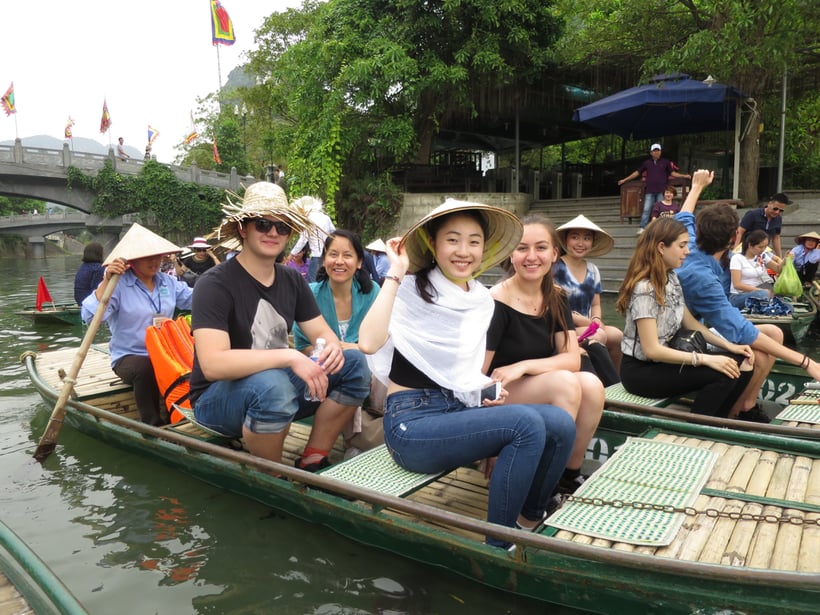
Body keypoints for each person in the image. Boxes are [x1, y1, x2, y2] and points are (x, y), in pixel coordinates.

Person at [358, 199, 575, 548]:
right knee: (526, 425)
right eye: (453, 240)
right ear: (433, 243)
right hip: (410, 426)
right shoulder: (410, 287)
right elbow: (368, 342)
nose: (464, 251)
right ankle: (499, 544)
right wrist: (395, 271)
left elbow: (462, 374)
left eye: (474, 241)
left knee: (560, 424)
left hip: (455, 412)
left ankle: (529, 518)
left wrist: (485, 390)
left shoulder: (479, 299)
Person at [188, 182, 370, 470]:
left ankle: (313, 457)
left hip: (276, 385)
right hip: (216, 399)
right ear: (242, 229)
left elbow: (322, 333)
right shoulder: (213, 284)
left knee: (354, 363)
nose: (272, 232)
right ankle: (273, 473)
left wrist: (332, 348)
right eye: (262, 224)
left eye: (282, 226)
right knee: (272, 385)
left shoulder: (291, 280)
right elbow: (213, 364)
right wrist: (290, 356)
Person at [675, 170, 820, 421]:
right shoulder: (702, 277)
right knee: (755, 351)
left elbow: (684, 215)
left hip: (700, 328)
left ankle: (746, 405)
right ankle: (732, 417)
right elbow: (741, 330)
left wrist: (697, 186)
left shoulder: (693, 242)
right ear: (734, 238)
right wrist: (807, 363)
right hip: (683, 338)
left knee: (774, 333)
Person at [484, 214, 604, 497]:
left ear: (554, 254)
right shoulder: (495, 302)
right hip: (498, 391)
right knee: (566, 383)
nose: (531, 256)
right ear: (510, 254)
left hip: (528, 380)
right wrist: (488, 441)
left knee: (592, 385)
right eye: (522, 248)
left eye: (540, 248)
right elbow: (480, 372)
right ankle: (539, 483)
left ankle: (567, 474)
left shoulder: (557, 296)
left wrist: (523, 366)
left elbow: (572, 358)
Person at [616, 217, 754, 417]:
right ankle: (698, 428)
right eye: (681, 246)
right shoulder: (645, 289)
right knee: (723, 373)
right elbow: (652, 350)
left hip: (665, 362)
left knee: (740, 360)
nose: (687, 251)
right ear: (661, 247)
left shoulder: (671, 278)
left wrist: (729, 346)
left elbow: (690, 323)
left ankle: (719, 420)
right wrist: (705, 359)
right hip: (641, 372)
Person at [81, 224, 193, 426]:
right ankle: (152, 424)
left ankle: (187, 415)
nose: (155, 261)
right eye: (147, 257)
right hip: (130, 357)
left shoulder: (167, 282)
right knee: (145, 367)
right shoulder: (118, 284)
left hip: (165, 354)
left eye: (158, 256)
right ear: (132, 260)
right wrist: (106, 282)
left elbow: (193, 299)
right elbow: (89, 317)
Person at [293, 229, 382, 456]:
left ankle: (359, 440)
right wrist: (342, 353)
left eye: (348, 255)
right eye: (333, 254)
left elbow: (379, 342)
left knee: (363, 366)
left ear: (360, 262)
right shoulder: (310, 294)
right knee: (350, 367)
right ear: (323, 260)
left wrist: (342, 350)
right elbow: (303, 345)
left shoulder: (372, 294)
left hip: (372, 366)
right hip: (323, 366)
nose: (339, 261)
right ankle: (355, 442)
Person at [553, 214, 622, 384]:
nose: (580, 243)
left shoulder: (593, 269)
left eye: (586, 238)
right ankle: (601, 383)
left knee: (618, 335)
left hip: (589, 323)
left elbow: (596, 303)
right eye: (575, 237)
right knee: (598, 335)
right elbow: (555, 307)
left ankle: (617, 382)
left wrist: (596, 319)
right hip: (563, 326)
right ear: (565, 240)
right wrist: (589, 323)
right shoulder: (555, 268)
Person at [617, 143, 690, 234]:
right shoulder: (647, 163)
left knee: (662, 209)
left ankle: (659, 228)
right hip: (650, 190)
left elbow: (672, 173)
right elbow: (637, 172)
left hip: (661, 191)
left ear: (660, 152)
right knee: (647, 209)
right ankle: (642, 227)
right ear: (651, 152)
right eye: (654, 150)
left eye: (658, 150)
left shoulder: (665, 162)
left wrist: (684, 176)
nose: (656, 152)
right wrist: (625, 180)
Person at [729, 230, 783, 309]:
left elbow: (778, 269)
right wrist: (760, 290)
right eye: (760, 247)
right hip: (739, 296)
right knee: (762, 295)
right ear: (750, 245)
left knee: (787, 306)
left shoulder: (762, 256)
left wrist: (786, 260)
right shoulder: (737, 258)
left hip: (760, 291)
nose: (763, 249)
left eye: (765, 247)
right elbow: (737, 285)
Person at [289, 196, 336, 282]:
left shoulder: (308, 220)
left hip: (316, 255)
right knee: (325, 280)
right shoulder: (326, 217)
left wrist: (292, 254)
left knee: (313, 281)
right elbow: (334, 233)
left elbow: (303, 240)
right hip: (327, 254)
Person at [736, 193, 791, 258]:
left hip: (763, 251)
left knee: (776, 262)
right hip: (747, 249)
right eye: (775, 209)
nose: (777, 212)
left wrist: (779, 257)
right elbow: (740, 232)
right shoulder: (753, 214)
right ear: (769, 203)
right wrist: (735, 251)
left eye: (781, 210)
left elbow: (776, 238)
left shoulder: (778, 219)